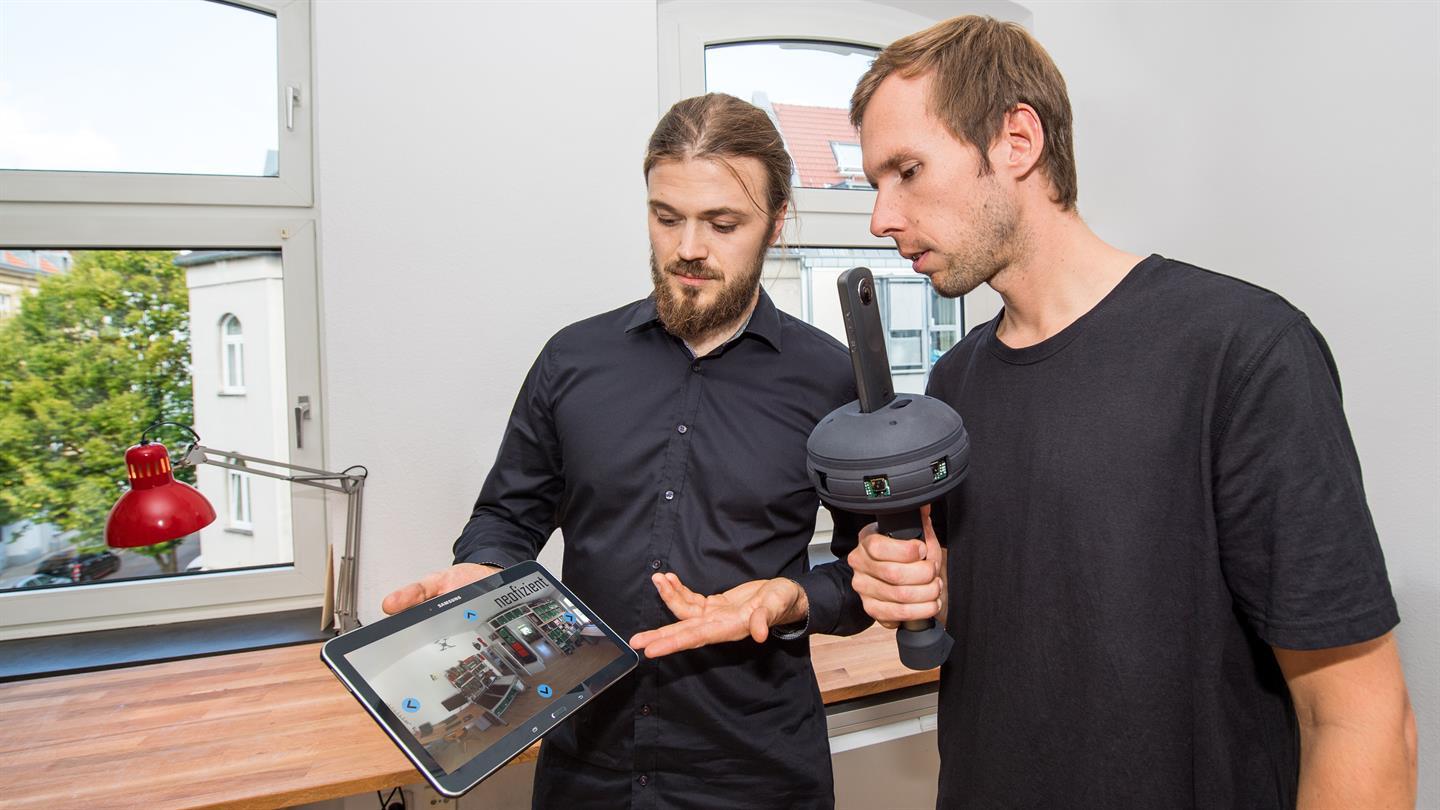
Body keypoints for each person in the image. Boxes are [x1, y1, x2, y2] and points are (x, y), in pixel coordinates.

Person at [844, 15, 1417, 809]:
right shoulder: (956, 380)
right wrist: (920, 587)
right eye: (875, 183)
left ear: (1017, 140)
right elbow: (1039, 605)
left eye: (907, 170)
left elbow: (1360, 720)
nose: (882, 217)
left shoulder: (1242, 353)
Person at [382, 93, 872, 809]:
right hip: (587, 764)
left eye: (722, 223)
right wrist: (479, 573)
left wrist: (794, 596)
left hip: (756, 770)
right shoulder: (572, 359)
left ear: (776, 223)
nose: (688, 248)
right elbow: (508, 515)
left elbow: (874, 571)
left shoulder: (832, 377)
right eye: (666, 217)